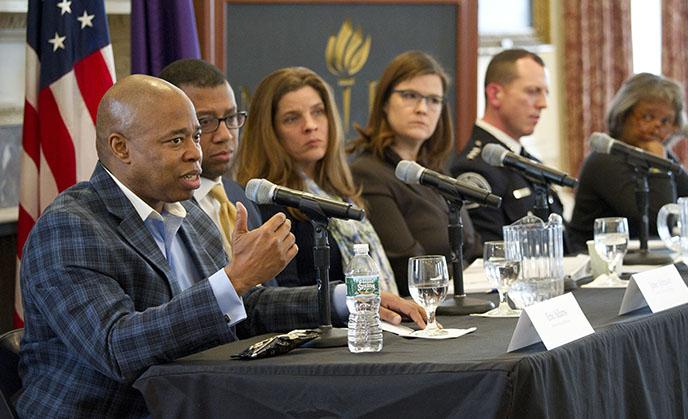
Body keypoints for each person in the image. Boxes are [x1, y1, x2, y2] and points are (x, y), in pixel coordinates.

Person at [16, 75, 424, 418]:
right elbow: (118, 347)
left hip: (199, 401)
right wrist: (236, 278)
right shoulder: (71, 226)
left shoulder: (187, 210)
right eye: (176, 141)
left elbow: (248, 307)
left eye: (194, 136)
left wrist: (346, 299)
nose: (196, 152)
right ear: (121, 148)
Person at [234, 67, 399, 294]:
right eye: (292, 118)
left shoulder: (337, 191)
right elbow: (280, 295)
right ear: (269, 131)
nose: (310, 125)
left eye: (318, 112)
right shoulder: (269, 204)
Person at [348, 51, 481, 297]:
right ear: (385, 102)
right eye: (410, 96)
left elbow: (473, 250)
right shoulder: (367, 174)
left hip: (467, 301)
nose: (423, 109)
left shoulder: (435, 172)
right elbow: (407, 264)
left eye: (433, 100)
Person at [567, 72, 688, 252]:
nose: (657, 126)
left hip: (640, 261)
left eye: (666, 121)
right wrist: (659, 165)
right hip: (596, 266)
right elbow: (658, 224)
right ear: (623, 115)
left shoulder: (653, 152)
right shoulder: (604, 160)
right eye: (648, 117)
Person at [450, 49, 564, 244]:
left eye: (545, 92)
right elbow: (491, 253)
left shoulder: (527, 159)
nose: (543, 103)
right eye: (532, 91)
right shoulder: (475, 168)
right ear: (495, 94)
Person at [158, 59, 261, 260]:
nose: (225, 135)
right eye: (204, 122)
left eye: (231, 118)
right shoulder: (164, 206)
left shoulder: (240, 196)